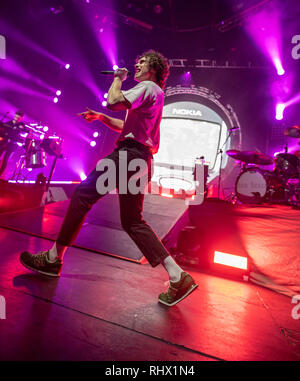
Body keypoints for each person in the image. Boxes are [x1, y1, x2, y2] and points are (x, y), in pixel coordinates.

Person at [20, 50, 198, 306]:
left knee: (82, 195)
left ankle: (52, 259)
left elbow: (113, 100)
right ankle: (177, 276)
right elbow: (127, 126)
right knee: (132, 221)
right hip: (139, 158)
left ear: (154, 69)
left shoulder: (147, 87)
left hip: (128, 156)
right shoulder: (152, 94)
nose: (137, 64)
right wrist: (102, 118)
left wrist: (117, 78)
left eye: (143, 62)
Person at [0, 110, 26, 177]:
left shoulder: (21, 125)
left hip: (12, 145)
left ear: (21, 118)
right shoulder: (9, 123)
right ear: (14, 116)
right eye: (16, 116)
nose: (16, 118)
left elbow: (25, 132)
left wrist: (22, 129)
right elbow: (3, 128)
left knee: (5, 159)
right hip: (4, 142)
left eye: (18, 118)